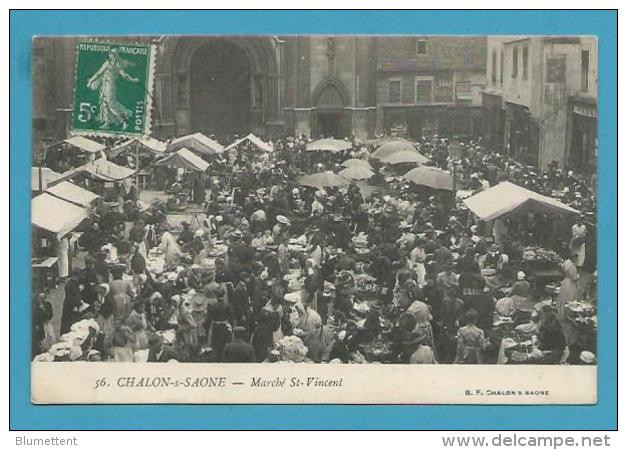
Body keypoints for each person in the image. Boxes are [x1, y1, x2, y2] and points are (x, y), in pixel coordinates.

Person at [556, 251, 581, 322]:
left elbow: (564, 270)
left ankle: (562, 312)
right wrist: (578, 276)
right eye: (576, 258)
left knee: (564, 297)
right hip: (570, 283)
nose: (576, 260)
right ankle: (567, 314)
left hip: (566, 281)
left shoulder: (566, 262)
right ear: (573, 258)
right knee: (570, 297)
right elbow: (574, 278)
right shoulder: (572, 266)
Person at [60, 268, 82, 334]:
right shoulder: (73, 284)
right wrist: (78, 303)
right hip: (70, 307)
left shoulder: (70, 282)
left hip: (68, 305)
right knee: (69, 324)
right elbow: (73, 297)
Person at [32, 292, 54, 357]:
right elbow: (36, 317)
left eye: (43, 298)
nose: (41, 299)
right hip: (40, 326)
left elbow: (49, 316)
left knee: (51, 338)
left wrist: (43, 309)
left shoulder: (48, 304)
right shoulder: (35, 308)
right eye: (40, 298)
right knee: (43, 342)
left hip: (47, 324)